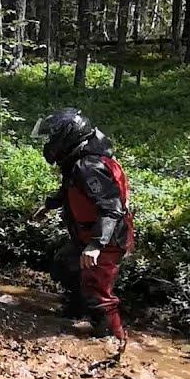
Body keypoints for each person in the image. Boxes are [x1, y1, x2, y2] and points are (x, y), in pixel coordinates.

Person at [32, 108, 135, 345]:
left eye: (53, 138)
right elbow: (72, 189)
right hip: (88, 235)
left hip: (106, 240)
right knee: (65, 264)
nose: (49, 144)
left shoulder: (89, 166)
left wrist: (96, 245)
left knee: (98, 295)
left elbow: (111, 208)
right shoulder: (78, 161)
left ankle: (112, 344)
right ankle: (75, 314)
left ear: (67, 136)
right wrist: (49, 205)